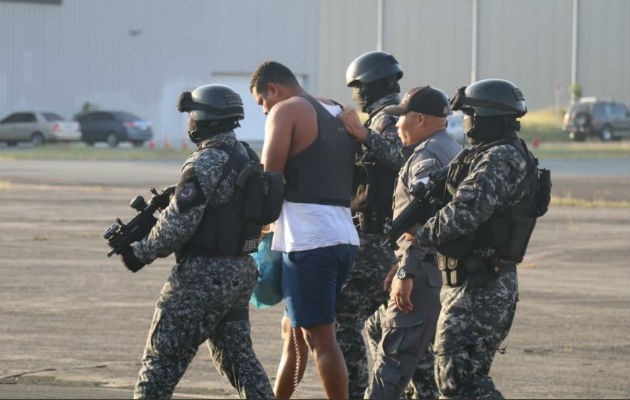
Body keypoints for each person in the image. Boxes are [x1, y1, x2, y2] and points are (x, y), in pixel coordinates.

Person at [120, 84, 274, 399]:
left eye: (192, 115)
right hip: (240, 272)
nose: (190, 121)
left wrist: (138, 253)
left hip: (201, 278)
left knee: (159, 368)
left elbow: (177, 225)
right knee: (241, 363)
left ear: (204, 118)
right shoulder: (245, 153)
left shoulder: (204, 161)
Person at [413, 79, 543, 399]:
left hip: (481, 286)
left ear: (482, 116)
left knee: (458, 379)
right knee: (459, 378)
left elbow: (464, 214)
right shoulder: (488, 154)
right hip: (474, 282)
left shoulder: (499, 158)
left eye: (468, 113)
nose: (466, 121)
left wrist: (420, 234)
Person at [340, 85, 461, 399]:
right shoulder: (446, 147)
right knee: (388, 335)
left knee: (386, 379)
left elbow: (424, 221)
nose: (396, 126)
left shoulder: (426, 158)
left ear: (419, 119)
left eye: (401, 119)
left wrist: (406, 271)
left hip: (421, 277)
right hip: (433, 271)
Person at [249, 61, 359, 399]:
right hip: (343, 235)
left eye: (261, 102)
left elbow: (271, 179)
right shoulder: (337, 109)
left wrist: (253, 230)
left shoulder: (286, 110)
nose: (265, 110)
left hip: (310, 241)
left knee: (320, 340)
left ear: (274, 89)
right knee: (294, 334)